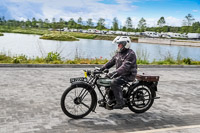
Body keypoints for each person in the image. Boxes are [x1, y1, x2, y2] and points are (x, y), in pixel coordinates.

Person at [100, 36, 137, 109]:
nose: (118, 45)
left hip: (128, 75)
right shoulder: (119, 53)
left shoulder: (130, 54)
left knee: (114, 82)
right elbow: (111, 62)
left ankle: (120, 102)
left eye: (120, 44)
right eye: (118, 44)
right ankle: (111, 98)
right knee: (106, 79)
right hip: (121, 74)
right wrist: (101, 69)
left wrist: (114, 73)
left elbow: (125, 67)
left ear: (125, 44)